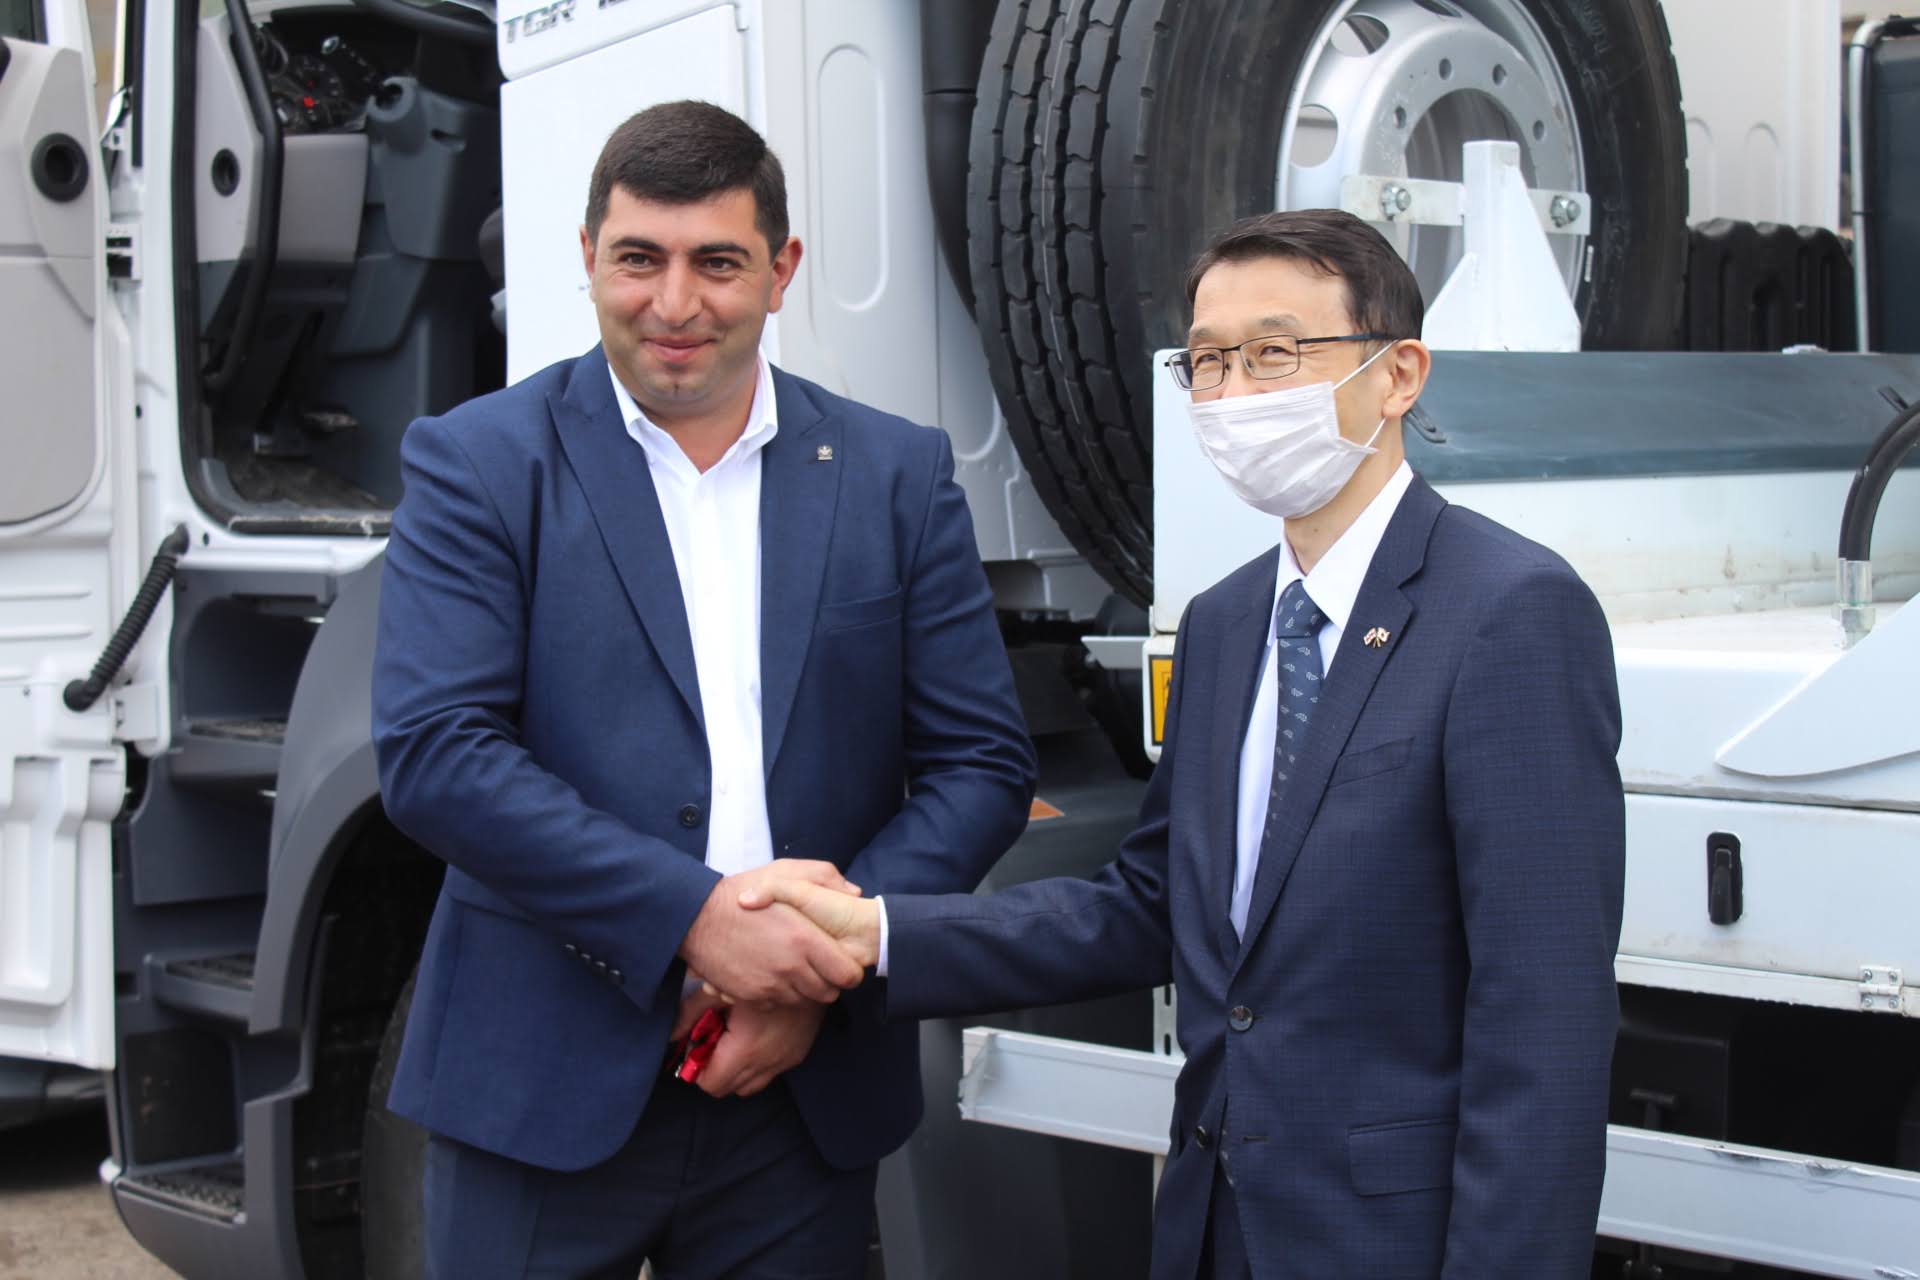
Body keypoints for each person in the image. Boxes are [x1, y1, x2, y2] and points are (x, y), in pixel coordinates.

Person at [747, 209, 1626, 1280]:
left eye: (1275, 353)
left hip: (1392, 1240)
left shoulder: (1509, 610)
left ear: (1398, 375)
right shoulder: (1225, 623)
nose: (1235, 394)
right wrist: (877, 932)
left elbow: (1543, 1018)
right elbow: (1152, 906)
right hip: (1218, 1226)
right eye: (1208, 362)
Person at [372, 99, 1035, 1278]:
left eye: (717, 263)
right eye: (640, 258)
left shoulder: (896, 473)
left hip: (798, 1093)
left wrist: (814, 966)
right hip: (541, 1082)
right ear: (589, 257)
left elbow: (981, 764)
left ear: (781, 270)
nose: (674, 304)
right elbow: (437, 752)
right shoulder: (479, 461)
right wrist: (696, 919)